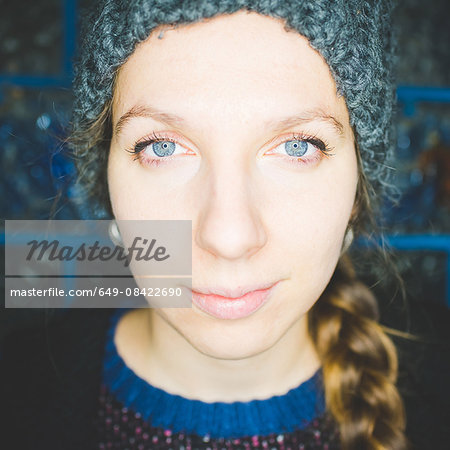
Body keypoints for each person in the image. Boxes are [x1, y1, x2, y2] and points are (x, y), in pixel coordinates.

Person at [3, 0, 435, 449]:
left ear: (357, 191)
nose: (229, 238)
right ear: (106, 183)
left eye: (297, 147)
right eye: (163, 147)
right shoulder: (14, 388)